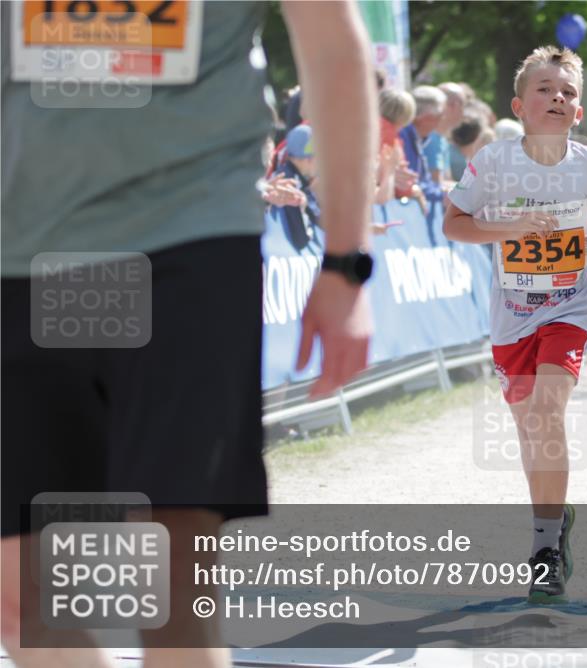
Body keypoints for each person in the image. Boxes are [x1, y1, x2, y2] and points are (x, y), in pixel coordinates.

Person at [1, 3, 374, 668]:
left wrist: (345, 260)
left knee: (172, 577)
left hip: (185, 234)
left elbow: (331, 47)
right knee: (21, 599)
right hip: (17, 257)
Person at [444, 45, 587, 603]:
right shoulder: (493, 163)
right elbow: (453, 224)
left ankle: (544, 550)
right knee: (532, 430)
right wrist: (507, 230)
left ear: (578, 114)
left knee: (550, 412)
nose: (557, 97)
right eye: (545, 89)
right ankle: (554, 523)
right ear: (520, 105)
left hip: (570, 306)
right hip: (513, 316)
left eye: (568, 93)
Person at [399, 85, 447, 204]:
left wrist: (444, 192)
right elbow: (411, 181)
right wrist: (443, 193)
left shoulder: (417, 137)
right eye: (440, 116)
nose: (442, 120)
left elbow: (424, 182)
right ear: (425, 118)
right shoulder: (403, 136)